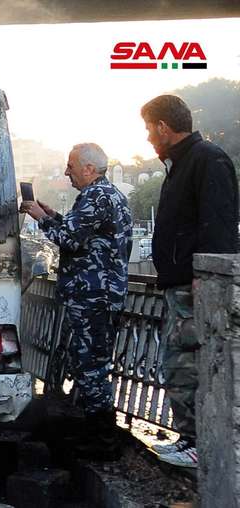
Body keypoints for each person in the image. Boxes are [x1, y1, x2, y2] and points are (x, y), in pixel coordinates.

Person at [141, 95, 238, 468]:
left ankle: (199, 443)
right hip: (179, 284)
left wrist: (205, 279)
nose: (148, 136)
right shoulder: (182, 163)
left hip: (193, 285)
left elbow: (219, 225)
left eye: (149, 128)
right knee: (176, 363)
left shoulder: (207, 159)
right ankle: (189, 438)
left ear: (164, 127)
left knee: (189, 365)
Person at [21, 143, 132, 459]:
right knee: (89, 364)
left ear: (89, 169)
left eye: (71, 166)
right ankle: (96, 434)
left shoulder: (97, 197)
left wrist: (41, 219)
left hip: (94, 297)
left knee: (92, 367)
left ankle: (103, 441)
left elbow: (69, 239)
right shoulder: (103, 196)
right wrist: (53, 215)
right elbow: (78, 233)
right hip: (97, 296)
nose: (67, 171)